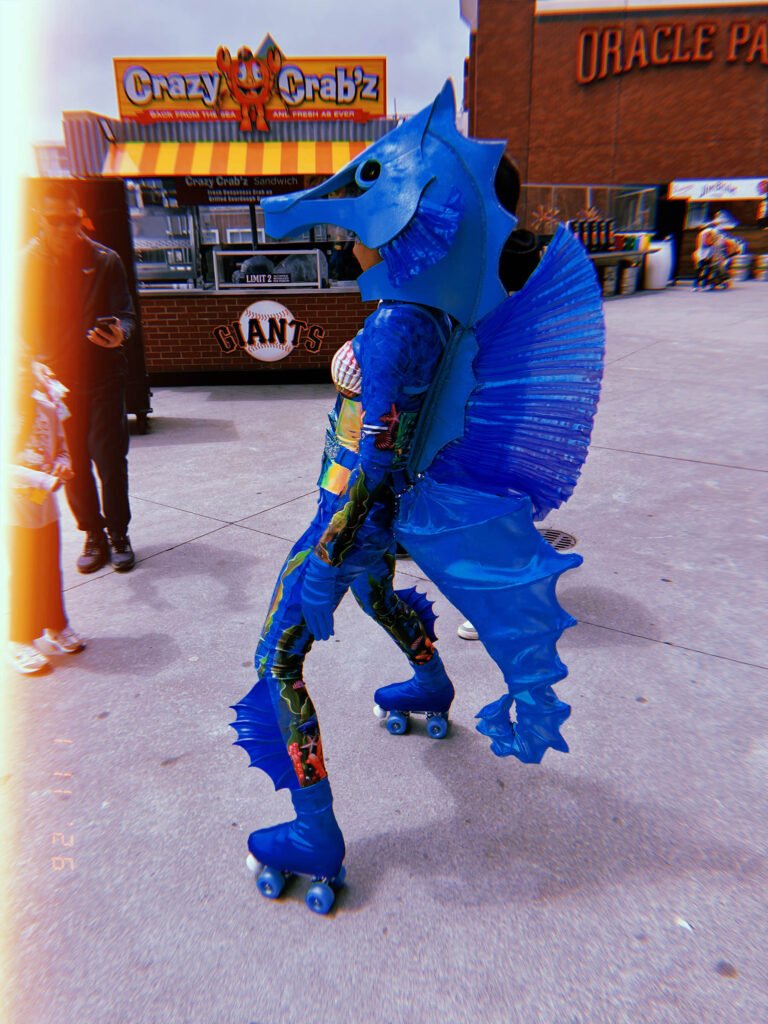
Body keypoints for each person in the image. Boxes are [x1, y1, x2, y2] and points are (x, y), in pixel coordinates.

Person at [231, 83, 604, 914]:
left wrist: (326, 554)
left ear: (410, 219)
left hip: (350, 512)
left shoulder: (401, 321)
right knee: (378, 592)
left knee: (277, 661)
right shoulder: (433, 309)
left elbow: (373, 461)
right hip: (387, 509)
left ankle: (312, 829)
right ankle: (430, 684)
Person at [20, 181, 137, 574]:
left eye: (72, 219)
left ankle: (119, 534)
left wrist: (119, 332)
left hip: (104, 376)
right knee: (72, 463)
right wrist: (30, 362)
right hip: (56, 383)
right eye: (56, 220)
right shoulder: (25, 264)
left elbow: (127, 314)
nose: (66, 228)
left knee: (109, 458)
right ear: (41, 219)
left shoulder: (105, 260)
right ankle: (92, 533)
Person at [7, 358, 85, 674]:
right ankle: (19, 639)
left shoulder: (47, 407)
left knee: (49, 567)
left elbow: (63, 447)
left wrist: (62, 465)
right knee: (23, 573)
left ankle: (56, 624)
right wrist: (41, 478)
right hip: (11, 508)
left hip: (43, 504)